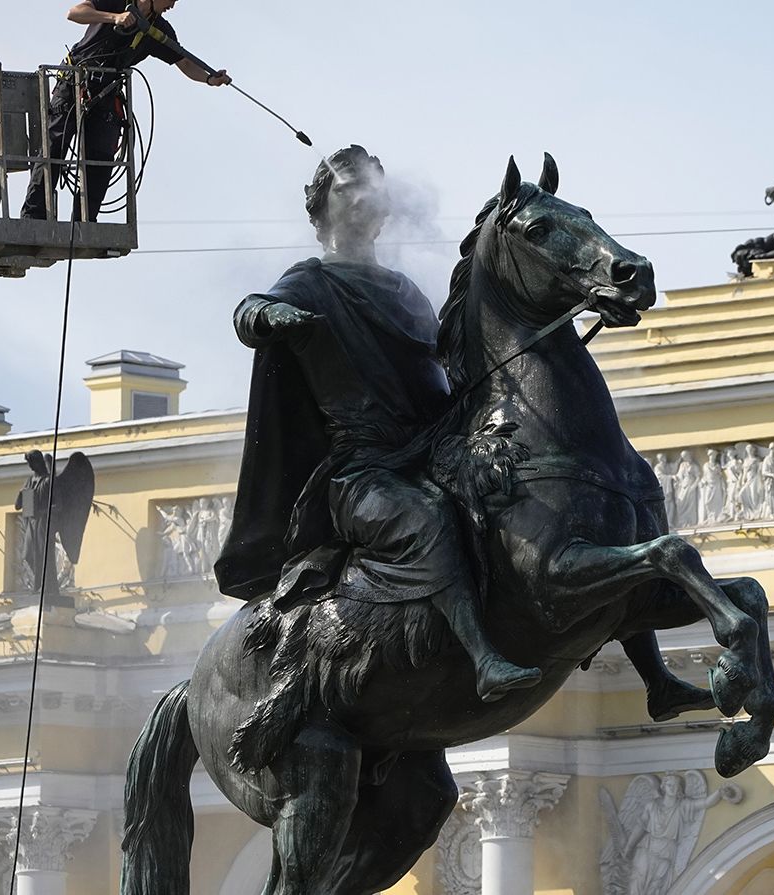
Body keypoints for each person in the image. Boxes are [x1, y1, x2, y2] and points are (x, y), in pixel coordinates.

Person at [214, 146, 542, 702]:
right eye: (347, 188)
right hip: (361, 471)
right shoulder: (310, 282)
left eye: (372, 189)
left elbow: (445, 368)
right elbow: (249, 310)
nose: (363, 198)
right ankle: (483, 660)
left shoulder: (404, 291)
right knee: (427, 517)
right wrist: (270, 314)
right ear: (322, 208)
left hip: (426, 451)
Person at [21, 0, 232, 222]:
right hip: (73, 83)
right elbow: (75, 13)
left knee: (101, 158)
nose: (173, 4)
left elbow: (185, 62)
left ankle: (85, 222)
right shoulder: (118, 2)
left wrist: (210, 79)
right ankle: (34, 217)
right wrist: (114, 17)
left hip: (106, 94)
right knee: (53, 150)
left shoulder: (158, 29)